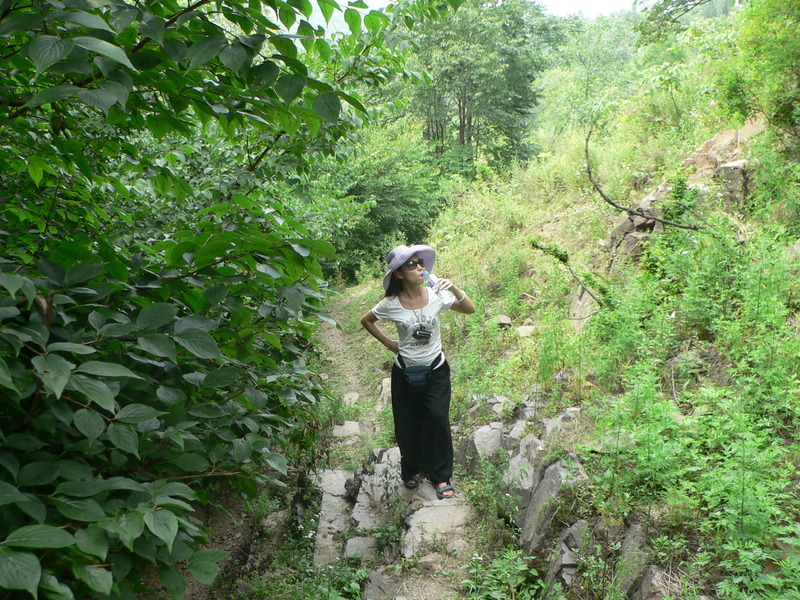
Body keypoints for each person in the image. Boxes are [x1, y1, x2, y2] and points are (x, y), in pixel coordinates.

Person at [361, 244, 475, 499]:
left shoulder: (436, 294)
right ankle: (412, 469)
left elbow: (469, 309)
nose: (420, 267)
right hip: (404, 372)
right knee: (407, 424)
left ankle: (441, 475)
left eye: (421, 263)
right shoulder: (390, 303)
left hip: (435, 369)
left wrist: (453, 287)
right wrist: (389, 342)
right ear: (399, 274)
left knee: (436, 419)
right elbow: (366, 320)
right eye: (411, 264)